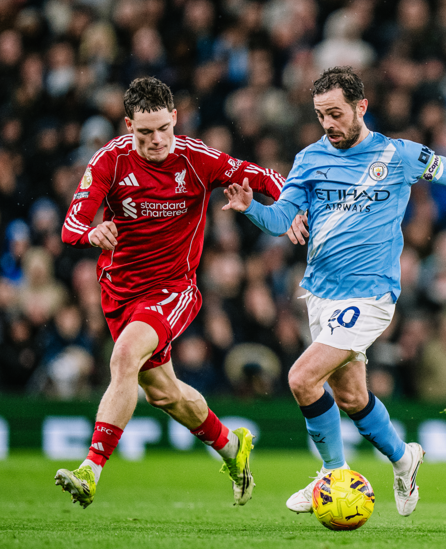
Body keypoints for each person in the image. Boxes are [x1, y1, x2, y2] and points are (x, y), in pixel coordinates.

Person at [222, 66, 446, 516]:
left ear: (361, 107)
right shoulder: (309, 159)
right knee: (350, 397)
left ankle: (331, 475)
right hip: (321, 294)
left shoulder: (399, 154)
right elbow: (280, 221)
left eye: (336, 113)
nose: (328, 123)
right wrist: (251, 208)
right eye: (320, 115)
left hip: (369, 297)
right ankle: (405, 460)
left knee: (302, 379)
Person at [56, 77, 286, 508]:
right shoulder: (110, 161)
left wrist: (288, 211)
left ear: (175, 119)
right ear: (128, 126)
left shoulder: (198, 159)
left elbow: (267, 176)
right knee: (163, 393)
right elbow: (70, 226)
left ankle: (91, 469)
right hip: (120, 293)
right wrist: (92, 232)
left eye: (164, 128)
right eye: (145, 132)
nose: (157, 139)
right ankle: (233, 450)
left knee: (124, 357)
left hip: (172, 289)